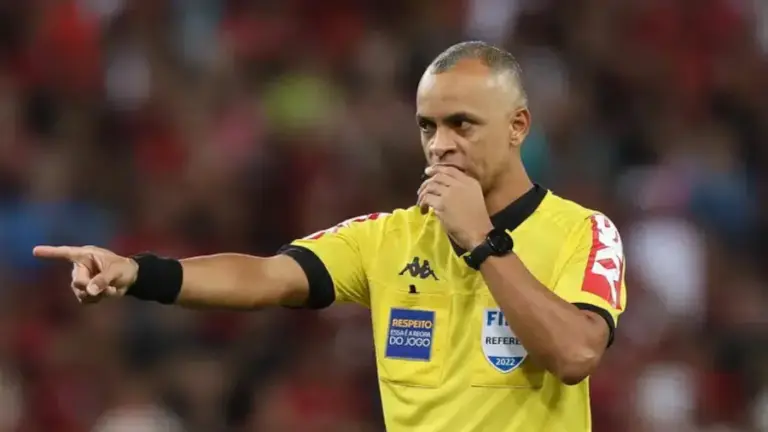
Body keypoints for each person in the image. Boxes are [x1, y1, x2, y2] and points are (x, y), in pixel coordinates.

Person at [33, 41, 627, 432]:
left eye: (461, 124)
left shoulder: (583, 232)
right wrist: (137, 271)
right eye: (427, 126)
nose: (440, 145)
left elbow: (576, 354)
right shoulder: (386, 238)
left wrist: (482, 240)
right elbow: (264, 276)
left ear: (518, 126)